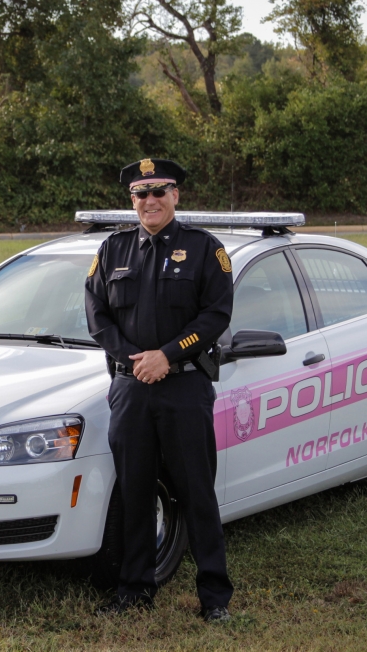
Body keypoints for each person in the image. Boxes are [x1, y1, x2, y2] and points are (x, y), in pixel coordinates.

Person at [84, 158, 235, 621]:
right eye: (140, 193)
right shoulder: (113, 249)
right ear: (132, 200)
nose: (149, 200)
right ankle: (135, 590)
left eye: (159, 191)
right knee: (134, 492)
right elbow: (97, 315)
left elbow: (215, 315)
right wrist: (136, 359)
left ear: (176, 196)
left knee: (197, 494)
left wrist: (166, 354)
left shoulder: (205, 249)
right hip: (131, 390)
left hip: (184, 387)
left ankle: (214, 597)